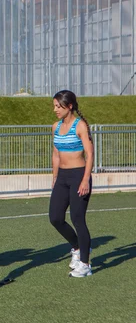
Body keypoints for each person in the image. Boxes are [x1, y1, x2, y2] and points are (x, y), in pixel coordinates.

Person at [50, 90, 94, 277]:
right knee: (55, 218)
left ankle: (85, 264)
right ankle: (77, 247)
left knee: (78, 219)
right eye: (54, 106)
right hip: (62, 178)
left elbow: (90, 154)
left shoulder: (80, 126)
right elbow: (55, 154)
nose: (55, 110)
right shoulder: (55, 127)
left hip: (78, 176)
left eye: (58, 106)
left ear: (69, 106)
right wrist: (54, 178)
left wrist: (85, 179)